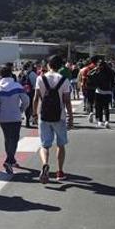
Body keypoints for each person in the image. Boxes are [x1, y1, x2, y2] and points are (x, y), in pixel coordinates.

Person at [31, 55, 73, 183]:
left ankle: (45, 164)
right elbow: (67, 101)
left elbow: (36, 98)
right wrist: (71, 116)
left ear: (48, 64)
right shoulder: (64, 80)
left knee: (44, 145)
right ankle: (60, 172)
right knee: (61, 144)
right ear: (60, 66)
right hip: (59, 116)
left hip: (44, 116)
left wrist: (34, 114)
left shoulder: (40, 78)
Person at [0, 63, 29, 175]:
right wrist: (21, 109)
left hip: (3, 117)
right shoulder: (17, 86)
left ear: (0, 75)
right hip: (15, 116)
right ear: (11, 73)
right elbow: (26, 101)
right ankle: (9, 160)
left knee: (7, 138)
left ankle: (11, 159)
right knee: (15, 138)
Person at [90, 58, 115, 128]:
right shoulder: (111, 72)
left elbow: (89, 75)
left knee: (99, 107)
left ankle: (100, 121)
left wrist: (95, 69)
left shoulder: (98, 72)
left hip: (99, 91)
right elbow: (113, 82)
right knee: (106, 107)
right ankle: (107, 121)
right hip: (108, 92)